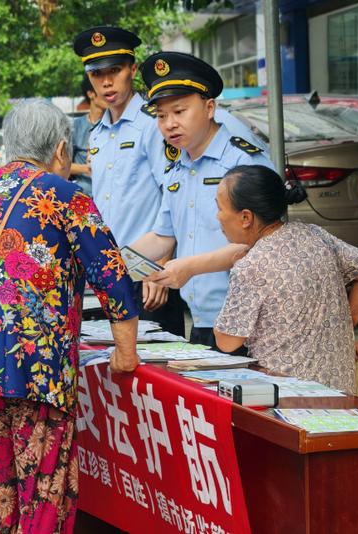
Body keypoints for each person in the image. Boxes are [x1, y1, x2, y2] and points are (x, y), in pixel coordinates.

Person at [0, 99, 140, 533]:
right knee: (44, 501)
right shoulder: (65, 197)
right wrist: (126, 351)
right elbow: (112, 276)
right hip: (37, 375)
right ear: (61, 149)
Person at [131, 51, 275, 350]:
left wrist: (191, 267)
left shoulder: (244, 162)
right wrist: (107, 259)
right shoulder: (177, 167)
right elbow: (162, 237)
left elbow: (268, 243)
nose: (169, 124)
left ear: (210, 108)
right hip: (201, 322)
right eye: (161, 116)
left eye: (179, 112)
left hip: (250, 322)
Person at [209, 165, 358, 392]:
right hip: (340, 392)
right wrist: (343, 328)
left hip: (288, 399)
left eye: (220, 208)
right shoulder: (315, 235)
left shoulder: (251, 266)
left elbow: (226, 341)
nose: (217, 216)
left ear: (246, 217)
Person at [73, 26, 184, 336]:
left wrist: (160, 266)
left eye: (115, 70)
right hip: (114, 274)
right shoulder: (97, 134)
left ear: (133, 69)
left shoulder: (153, 125)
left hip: (149, 276)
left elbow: (173, 196)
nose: (106, 82)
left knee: (159, 370)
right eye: (97, 74)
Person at [69, 75, 107, 194]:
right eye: (102, 90)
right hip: (83, 194)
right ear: (91, 94)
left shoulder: (116, 126)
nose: (109, 94)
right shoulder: (74, 127)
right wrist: (87, 168)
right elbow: (61, 165)